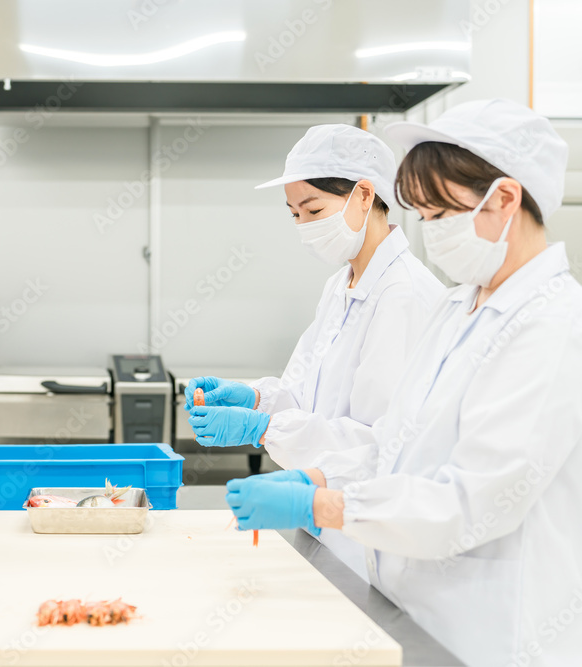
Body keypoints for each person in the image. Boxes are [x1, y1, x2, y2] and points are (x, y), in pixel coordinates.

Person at [225, 99, 581, 667]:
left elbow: (473, 501)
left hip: (495, 638)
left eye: (439, 215)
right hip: (418, 615)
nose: (429, 234)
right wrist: (318, 477)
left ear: (504, 200)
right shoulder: (460, 308)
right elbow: (394, 442)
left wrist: (324, 503)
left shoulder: (553, 326)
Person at [185, 124, 443, 577]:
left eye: (314, 209)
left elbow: (383, 445)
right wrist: (254, 400)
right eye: (294, 214)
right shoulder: (341, 285)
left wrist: (264, 428)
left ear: (365, 195)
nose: (304, 226)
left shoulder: (403, 295)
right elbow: (304, 395)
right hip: (327, 533)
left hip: (368, 544)